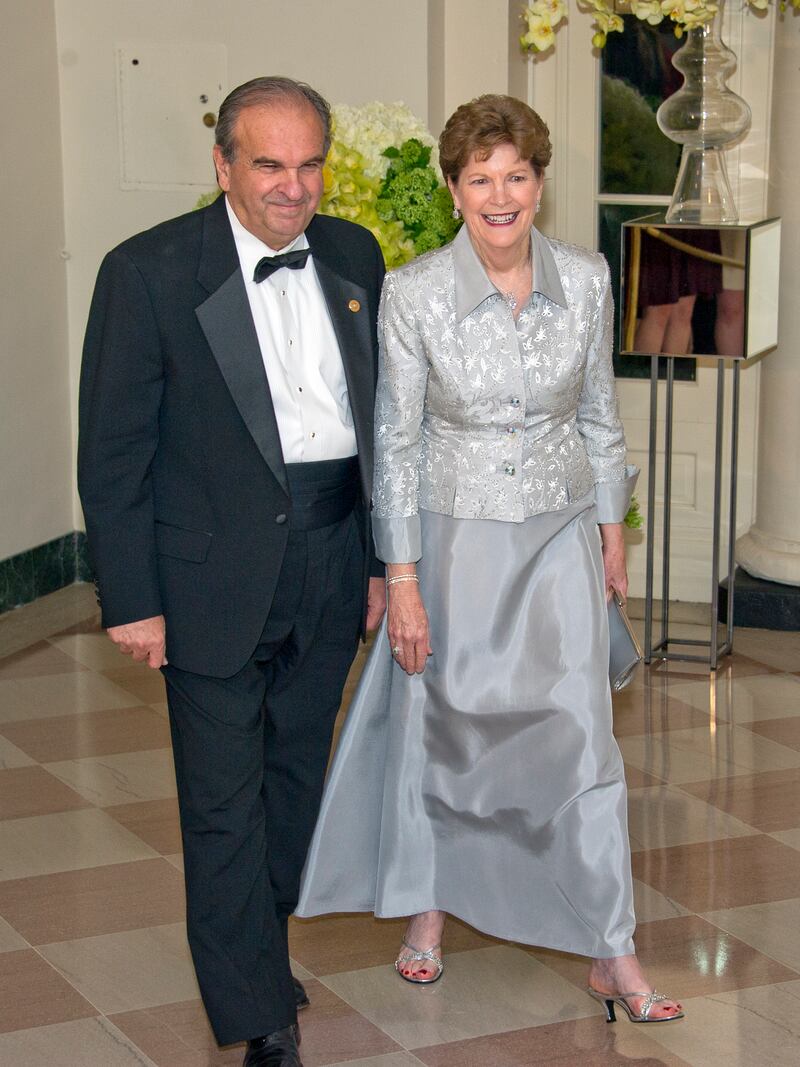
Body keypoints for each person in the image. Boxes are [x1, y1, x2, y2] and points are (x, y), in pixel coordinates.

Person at [297, 94, 683, 1026]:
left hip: (557, 542)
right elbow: (395, 442)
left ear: (540, 183)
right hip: (453, 544)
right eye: (480, 179)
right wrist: (402, 578)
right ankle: (429, 905)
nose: (499, 196)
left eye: (516, 175)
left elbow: (598, 415)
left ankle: (612, 949)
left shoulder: (587, 278)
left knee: (583, 745)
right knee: (450, 736)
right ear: (456, 189)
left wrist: (612, 530)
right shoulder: (416, 291)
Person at [78, 76, 386, 1067]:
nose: (292, 187)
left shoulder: (353, 254)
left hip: (333, 559)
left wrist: (384, 561)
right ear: (221, 164)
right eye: (268, 164)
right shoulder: (151, 271)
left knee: (298, 784)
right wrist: (133, 598)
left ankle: (258, 945)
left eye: (308, 165)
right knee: (221, 799)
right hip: (208, 576)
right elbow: (112, 452)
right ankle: (257, 1012)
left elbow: (378, 424)